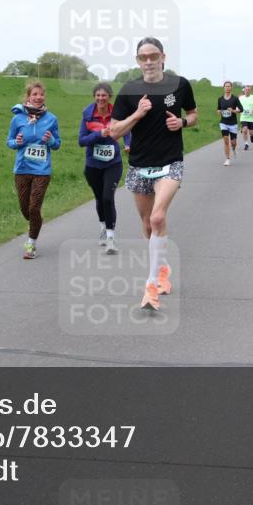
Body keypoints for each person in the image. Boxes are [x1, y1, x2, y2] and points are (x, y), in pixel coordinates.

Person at [109, 37, 197, 311]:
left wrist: (182, 122)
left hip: (170, 163)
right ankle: (162, 268)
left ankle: (150, 287)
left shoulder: (179, 84)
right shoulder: (129, 90)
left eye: (153, 56)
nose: (148, 61)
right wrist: (137, 114)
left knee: (158, 217)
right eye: (143, 57)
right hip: (139, 165)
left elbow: (193, 114)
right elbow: (114, 131)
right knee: (148, 225)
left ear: (163, 57)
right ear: (137, 61)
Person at [7, 81, 60, 259]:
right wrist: (18, 142)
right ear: (28, 97)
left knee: (34, 207)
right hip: (22, 168)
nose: (38, 97)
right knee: (25, 209)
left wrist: (50, 140)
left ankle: (31, 243)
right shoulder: (18, 118)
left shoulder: (51, 119)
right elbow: (10, 141)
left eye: (41, 94)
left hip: (42, 170)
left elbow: (57, 144)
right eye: (34, 94)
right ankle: (36, 223)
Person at [79, 83, 129, 254]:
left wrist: (128, 144)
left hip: (113, 164)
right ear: (94, 96)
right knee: (100, 199)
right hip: (93, 165)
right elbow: (81, 141)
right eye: (98, 95)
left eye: (104, 95)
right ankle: (102, 226)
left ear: (109, 97)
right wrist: (98, 134)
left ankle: (110, 238)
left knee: (108, 198)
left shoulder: (117, 113)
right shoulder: (87, 115)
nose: (101, 98)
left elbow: (126, 130)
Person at [217, 80, 241, 165]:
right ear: (223, 88)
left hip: (233, 123)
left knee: (233, 142)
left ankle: (234, 148)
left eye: (229, 86)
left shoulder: (235, 98)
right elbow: (218, 108)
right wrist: (219, 111)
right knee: (226, 140)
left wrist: (233, 110)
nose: (227, 88)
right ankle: (227, 159)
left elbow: (241, 109)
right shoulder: (220, 99)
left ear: (231, 87)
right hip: (223, 123)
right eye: (226, 86)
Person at [238, 85, 253, 150]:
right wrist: (237, 109)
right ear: (244, 90)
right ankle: (246, 143)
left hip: (252, 118)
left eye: (248, 89)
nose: (247, 91)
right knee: (244, 130)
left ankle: (252, 136)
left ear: (250, 90)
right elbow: (237, 106)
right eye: (246, 89)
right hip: (244, 117)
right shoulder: (240, 98)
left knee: (251, 132)